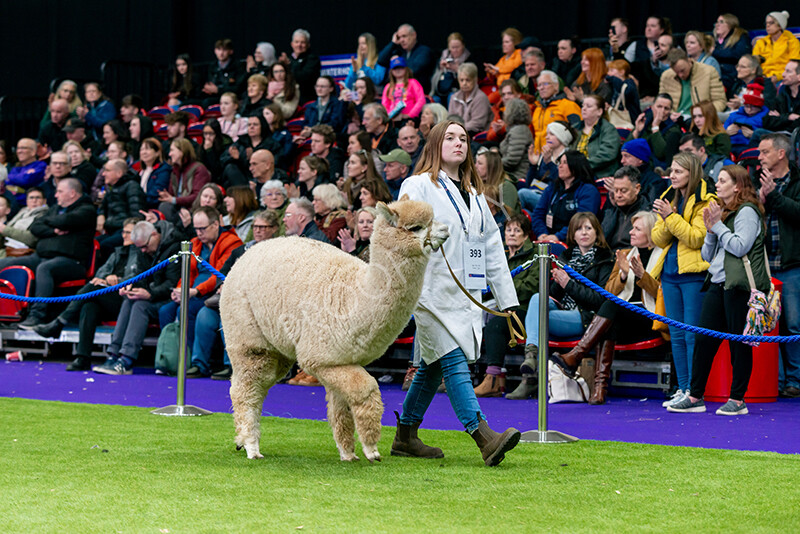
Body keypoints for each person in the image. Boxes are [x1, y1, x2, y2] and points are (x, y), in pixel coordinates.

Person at [391, 120, 521, 466]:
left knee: (432, 366)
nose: (459, 143)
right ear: (435, 144)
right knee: (452, 359)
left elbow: (492, 246)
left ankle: (404, 436)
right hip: (428, 292)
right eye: (450, 138)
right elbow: (400, 233)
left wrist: (507, 301)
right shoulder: (416, 184)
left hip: (465, 295)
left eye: (463, 138)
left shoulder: (477, 196)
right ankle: (483, 435)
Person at [665, 165, 766, 415]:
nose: (717, 185)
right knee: (703, 340)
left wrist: (718, 226)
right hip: (718, 284)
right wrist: (710, 231)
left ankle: (738, 399)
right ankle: (695, 396)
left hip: (739, 287)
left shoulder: (747, 212)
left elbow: (740, 246)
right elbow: (708, 255)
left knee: (738, 344)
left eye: (722, 181)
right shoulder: (724, 212)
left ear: (738, 186)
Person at [550, 211, 662, 404]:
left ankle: (576, 356)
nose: (631, 232)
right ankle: (599, 389)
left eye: (637, 229)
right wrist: (624, 276)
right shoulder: (625, 254)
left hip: (648, 315)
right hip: (621, 314)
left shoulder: (661, 256)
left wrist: (642, 276)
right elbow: (609, 290)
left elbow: (661, 294)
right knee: (611, 314)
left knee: (612, 307)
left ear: (651, 232)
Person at [515, 212, 614, 399]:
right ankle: (531, 354)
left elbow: (600, 301)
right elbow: (554, 294)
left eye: (588, 228)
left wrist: (568, 283)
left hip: (585, 316)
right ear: (573, 234)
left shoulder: (605, 259)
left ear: (596, 232)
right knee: (538, 298)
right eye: (579, 229)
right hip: (563, 310)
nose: (584, 233)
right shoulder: (565, 256)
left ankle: (530, 366)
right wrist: (556, 281)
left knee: (537, 317)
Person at [34, 218, 142, 372]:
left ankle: (60, 322)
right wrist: (105, 279)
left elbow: (139, 278)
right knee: (88, 306)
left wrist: (118, 280)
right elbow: (102, 272)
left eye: (128, 233)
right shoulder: (117, 252)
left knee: (91, 289)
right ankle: (82, 358)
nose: (123, 236)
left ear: (138, 235)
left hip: (126, 300)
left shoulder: (141, 254)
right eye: (123, 232)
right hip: (107, 296)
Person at [651, 152, 715, 407]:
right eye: (671, 171)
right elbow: (657, 238)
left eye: (678, 172)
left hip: (694, 276)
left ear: (692, 172)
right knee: (676, 335)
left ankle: (695, 393)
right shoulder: (668, 198)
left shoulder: (705, 200)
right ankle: (683, 387)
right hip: (669, 274)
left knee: (691, 336)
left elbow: (697, 238)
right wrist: (669, 218)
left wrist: (671, 217)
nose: (672, 176)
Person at [186, 209, 279, 379]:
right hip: (230, 299)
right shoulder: (242, 250)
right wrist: (223, 285)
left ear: (274, 228)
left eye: (263, 227)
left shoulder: (279, 252)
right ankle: (199, 364)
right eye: (255, 226)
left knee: (227, 317)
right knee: (204, 314)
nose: (257, 230)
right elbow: (222, 273)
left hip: (257, 304)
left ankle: (232, 365)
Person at [0, 179, 96, 328]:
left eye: (60, 192)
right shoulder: (55, 209)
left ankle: (37, 316)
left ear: (72, 193)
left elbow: (67, 220)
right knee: (4, 263)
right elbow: (35, 227)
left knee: (45, 269)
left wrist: (51, 223)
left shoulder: (87, 210)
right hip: (41, 256)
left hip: (71, 261)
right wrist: (54, 230)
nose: (56, 195)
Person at [98, 219, 181, 374]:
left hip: (168, 298)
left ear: (155, 235)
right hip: (153, 294)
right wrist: (132, 286)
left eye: (144, 246)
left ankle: (126, 359)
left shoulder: (174, 248)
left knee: (140, 306)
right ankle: (114, 353)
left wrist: (150, 294)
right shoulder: (145, 248)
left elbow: (172, 282)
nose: (142, 251)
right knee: (130, 300)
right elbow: (141, 276)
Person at [158, 206, 242, 351]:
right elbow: (188, 273)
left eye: (202, 228)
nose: (198, 233)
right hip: (192, 292)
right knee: (165, 310)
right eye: (196, 228)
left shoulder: (231, 242)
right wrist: (180, 289)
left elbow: (218, 274)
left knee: (185, 310)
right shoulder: (195, 243)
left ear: (215, 224)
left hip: (212, 294)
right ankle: (169, 354)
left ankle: (188, 357)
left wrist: (196, 291)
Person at [474, 213, 538, 397]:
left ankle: (492, 379)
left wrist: (502, 289)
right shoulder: (497, 254)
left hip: (524, 308)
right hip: (496, 303)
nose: (511, 234)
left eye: (517, 230)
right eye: (508, 230)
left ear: (526, 235)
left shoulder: (534, 255)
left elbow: (531, 286)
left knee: (495, 325)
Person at [756, 134, 800, 398]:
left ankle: (794, 380)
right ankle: (776, 378)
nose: (759, 157)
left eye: (764, 152)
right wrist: (759, 202)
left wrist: (772, 197)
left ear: (781, 154)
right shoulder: (757, 181)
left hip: (792, 264)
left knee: (793, 325)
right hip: (766, 266)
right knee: (769, 324)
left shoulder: (796, 181)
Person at [532, 150, 601, 242]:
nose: (560, 166)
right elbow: (537, 214)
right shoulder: (552, 188)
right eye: (560, 163)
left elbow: (582, 221)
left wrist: (558, 237)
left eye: (565, 163)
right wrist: (542, 233)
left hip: (575, 241)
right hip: (548, 238)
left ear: (575, 165)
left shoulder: (588, 191)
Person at [521, 121, 575, 212]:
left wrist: (550, 163)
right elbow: (529, 185)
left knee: (522, 194)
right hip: (538, 195)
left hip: (555, 200)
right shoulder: (545, 155)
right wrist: (533, 165)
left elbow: (560, 184)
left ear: (562, 137)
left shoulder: (569, 157)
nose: (547, 137)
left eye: (552, 134)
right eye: (547, 134)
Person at [96, 159, 145, 257]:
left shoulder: (132, 186)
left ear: (119, 173)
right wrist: (100, 215)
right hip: (111, 230)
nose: (103, 174)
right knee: (92, 243)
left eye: (107, 171)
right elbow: (103, 206)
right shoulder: (112, 188)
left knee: (106, 245)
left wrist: (127, 230)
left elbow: (137, 214)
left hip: (124, 229)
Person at [601, 166, 655, 251]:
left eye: (623, 191)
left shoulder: (648, 213)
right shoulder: (611, 211)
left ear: (637, 189)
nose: (618, 195)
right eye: (615, 190)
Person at [658, 49, 726, 115]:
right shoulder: (666, 76)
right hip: (674, 120)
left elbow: (720, 101)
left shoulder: (708, 72)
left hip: (701, 118)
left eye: (682, 70)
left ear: (689, 60)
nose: (680, 75)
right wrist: (670, 114)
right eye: (676, 72)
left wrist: (703, 114)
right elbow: (661, 103)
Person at [158, 139, 211, 221]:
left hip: (193, 209)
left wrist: (174, 200)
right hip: (179, 209)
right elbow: (172, 195)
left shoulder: (199, 169)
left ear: (182, 151)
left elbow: (197, 196)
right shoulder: (174, 171)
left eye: (172, 150)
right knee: (164, 206)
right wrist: (167, 196)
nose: (169, 154)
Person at [221, 114, 280, 187]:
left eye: (255, 124)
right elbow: (223, 159)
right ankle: (244, 193)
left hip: (263, 177)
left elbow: (275, 164)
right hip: (242, 178)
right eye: (249, 125)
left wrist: (252, 157)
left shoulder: (272, 144)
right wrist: (236, 159)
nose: (251, 127)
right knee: (230, 167)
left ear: (262, 126)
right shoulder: (240, 142)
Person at [531, 70, 581, 153]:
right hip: (540, 158)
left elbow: (578, 131)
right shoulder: (537, 109)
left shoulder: (568, 105)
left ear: (556, 86)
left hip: (560, 157)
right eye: (539, 85)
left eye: (545, 84)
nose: (541, 88)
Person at [572, 94, 621, 177]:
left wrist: (582, 166)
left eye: (589, 106)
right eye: (583, 105)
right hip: (576, 174)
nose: (583, 109)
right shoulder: (575, 128)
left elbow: (607, 154)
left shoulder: (608, 129)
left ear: (599, 111)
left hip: (599, 175)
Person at [378, 23, 435, 93]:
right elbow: (381, 61)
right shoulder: (400, 52)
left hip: (418, 93)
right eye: (399, 37)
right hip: (398, 92)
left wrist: (398, 62)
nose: (401, 40)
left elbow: (413, 70)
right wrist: (393, 43)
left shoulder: (424, 51)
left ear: (414, 35)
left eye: (404, 36)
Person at [629, 93, 682, 165]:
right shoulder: (645, 122)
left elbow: (660, 154)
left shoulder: (673, 129)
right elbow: (625, 150)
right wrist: (637, 131)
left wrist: (655, 127)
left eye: (666, 108)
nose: (662, 111)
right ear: (652, 107)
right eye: (659, 107)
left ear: (670, 111)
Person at [475, 148, 520, 233]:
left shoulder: (507, 187)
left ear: (490, 167)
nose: (475, 166)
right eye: (476, 162)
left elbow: (507, 218)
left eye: (480, 163)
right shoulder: (477, 184)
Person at [752, 11, 800, 82]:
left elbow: (794, 66)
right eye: (766, 23)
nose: (767, 26)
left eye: (771, 23)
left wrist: (778, 77)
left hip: (783, 78)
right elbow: (754, 63)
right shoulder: (761, 42)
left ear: (780, 25)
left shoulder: (792, 42)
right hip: (763, 77)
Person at [0, 187, 48, 257]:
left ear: (44, 201)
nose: (34, 200)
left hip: (22, 251)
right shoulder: (22, 212)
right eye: (31, 198)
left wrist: (5, 229)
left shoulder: (44, 215)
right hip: (7, 247)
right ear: (27, 201)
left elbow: (32, 239)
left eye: (38, 198)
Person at [278, 29, 321, 104]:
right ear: (292, 44)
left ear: (308, 44)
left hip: (306, 100)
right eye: (296, 42)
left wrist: (288, 65)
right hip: (288, 99)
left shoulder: (312, 59)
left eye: (303, 42)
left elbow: (303, 77)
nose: (299, 45)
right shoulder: (289, 59)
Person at [447, 63, 491, 135]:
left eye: (468, 80)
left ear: (475, 80)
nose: (464, 83)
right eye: (461, 80)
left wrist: (457, 129)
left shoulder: (481, 98)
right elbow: (451, 118)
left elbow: (477, 124)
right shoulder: (454, 97)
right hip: (457, 133)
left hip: (474, 135)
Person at [712, 13, 752, 91]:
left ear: (730, 24)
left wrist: (714, 52)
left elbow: (739, 54)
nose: (717, 25)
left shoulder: (741, 37)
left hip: (732, 77)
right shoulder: (715, 41)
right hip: (717, 75)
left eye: (721, 22)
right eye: (717, 22)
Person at [724, 83, 768, 154]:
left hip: (750, 147)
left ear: (759, 107)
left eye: (753, 106)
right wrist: (726, 132)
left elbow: (770, 137)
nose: (749, 110)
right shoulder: (734, 115)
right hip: (730, 146)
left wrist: (754, 135)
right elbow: (720, 131)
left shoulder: (766, 118)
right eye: (746, 106)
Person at [202, 38, 246, 107]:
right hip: (213, 96)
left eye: (224, 50)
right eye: (219, 49)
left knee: (207, 102)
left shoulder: (238, 66)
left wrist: (218, 90)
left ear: (231, 51)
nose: (221, 53)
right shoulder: (212, 66)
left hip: (231, 97)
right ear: (215, 51)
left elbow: (238, 88)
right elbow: (210, 82)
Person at [499, 98, 533, 184]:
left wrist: (492, 163)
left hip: (516, 177)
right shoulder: (517, 129)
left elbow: (512, 160)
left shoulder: (519, 131)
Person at [381, 57, 425, 122]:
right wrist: (389, 116)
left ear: (406, 69)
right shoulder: (388, 86)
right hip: (392, 119)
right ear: (391, 71)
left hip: (409, 119)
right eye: (395, 68)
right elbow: (384, 104)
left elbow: (421, 100)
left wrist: (409, 115)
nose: (398, 70)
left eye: (400, 67)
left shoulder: (413, 82)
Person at [430, 32, 470, 102]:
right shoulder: (442, 58)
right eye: (453, 47)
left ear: (463, 46)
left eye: (457, 47)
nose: (455, 50)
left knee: (452, 96)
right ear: (448, 47)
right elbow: (433, 82)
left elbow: (470, 81)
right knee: (434, 99)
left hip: (459, 92)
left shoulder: (468, 59)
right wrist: (441, 69)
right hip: (441, 92)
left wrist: (458, 70)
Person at [762, 59, 800, 133]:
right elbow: (766, 121)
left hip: (795, 138)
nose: (783, 74)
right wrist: (788, 117)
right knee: (759, 133)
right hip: (781, 135)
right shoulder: (782, 95)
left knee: (758, 134)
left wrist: (780, 117)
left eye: (788, 71)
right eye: (784, 70)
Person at [6, 138, 47, 203]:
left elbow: (26, 180)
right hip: (14, 204)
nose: (19, 151)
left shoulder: (41, 165)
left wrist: (13, 178)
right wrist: (23, 175)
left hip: (31, 204)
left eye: (23, 148)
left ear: (33, 152)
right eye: (18, 148)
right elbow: (7, 183)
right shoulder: (16, 168)